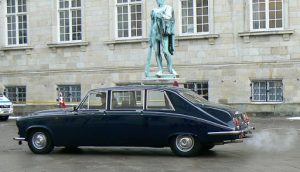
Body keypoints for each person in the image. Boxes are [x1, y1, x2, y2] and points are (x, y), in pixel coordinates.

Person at [145, 0, 177, 77]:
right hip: (154, 31)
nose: (159, 1)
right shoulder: (154, 10)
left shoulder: (168, 8)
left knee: (165, 51)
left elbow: (169, 17)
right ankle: (160, 69)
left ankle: (170, 69)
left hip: (163, 32)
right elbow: (152, 23)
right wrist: (150, 36)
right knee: (157, 52)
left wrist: (161, 15)